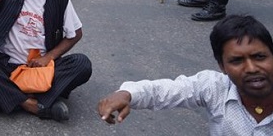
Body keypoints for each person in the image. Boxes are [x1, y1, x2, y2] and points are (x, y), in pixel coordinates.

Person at [98, 14, 273, 133]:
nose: (251, 68)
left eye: (259, 57)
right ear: (222, 66)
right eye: (237, 61)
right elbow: (164, 91)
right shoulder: (215, 87)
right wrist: (126, 94)